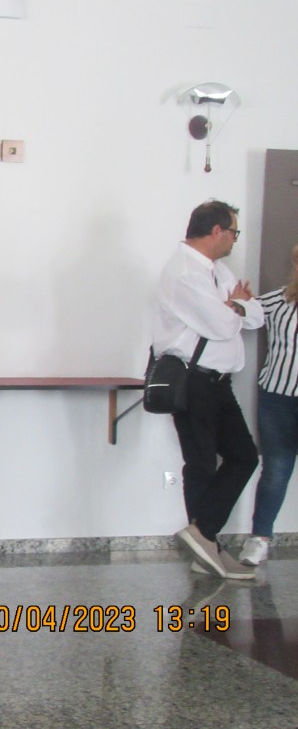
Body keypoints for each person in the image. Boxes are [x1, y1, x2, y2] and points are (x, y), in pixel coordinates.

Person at [155, 200, 263, 579]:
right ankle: (206, 546)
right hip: (194, 380)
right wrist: (236, 307)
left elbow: (256, 315)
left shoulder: (216, 270)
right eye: (234, 232)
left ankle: (203, 539)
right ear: (217, 231)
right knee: (200, 464)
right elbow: (222, 325)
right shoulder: (186, 273)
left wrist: (237, 307)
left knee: (244, 456)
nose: (235, 239)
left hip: (218, 382)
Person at [239, 243, 298, 565]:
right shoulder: (278, 300)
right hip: (278, 397)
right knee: (276, 469)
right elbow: (245, 317)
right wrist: (241, 304)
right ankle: (259, 538)